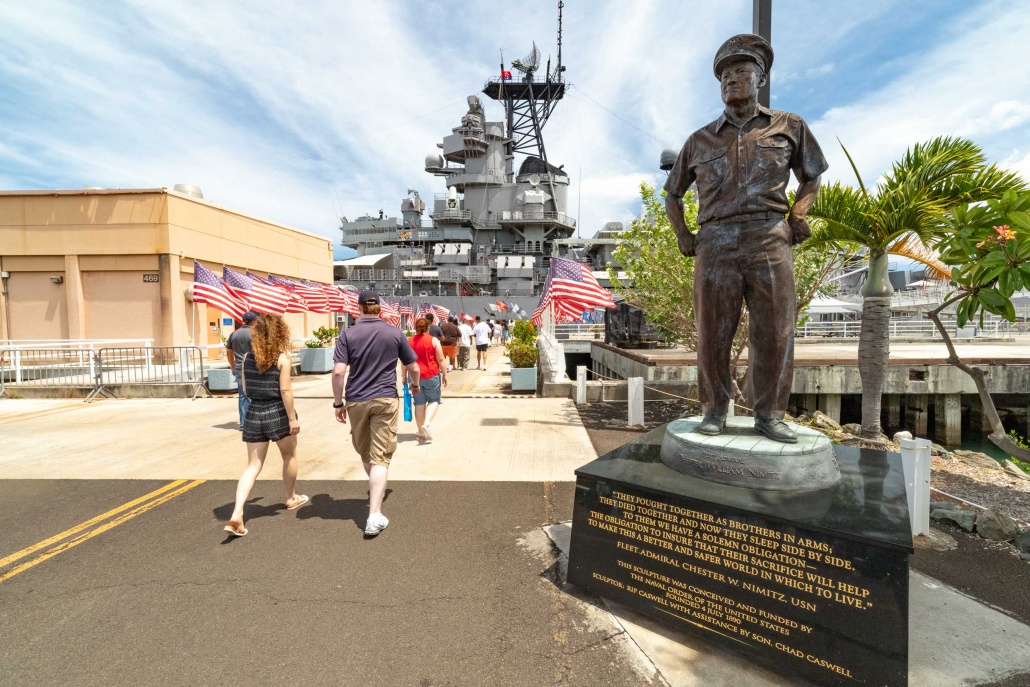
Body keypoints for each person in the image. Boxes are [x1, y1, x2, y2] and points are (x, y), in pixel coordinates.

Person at [664, 34, 826, 444]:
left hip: (768, 236)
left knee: (775, 332)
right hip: (715, 240)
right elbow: (672, 193)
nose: (730, 79)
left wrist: (797, 216)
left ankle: (770, 416)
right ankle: (714, 410)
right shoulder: (700, 140)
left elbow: (812, 175)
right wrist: (683, 233)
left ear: (761, 78)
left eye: (740, 71)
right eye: (724, 74)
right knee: (712, 332)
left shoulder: (789, 126)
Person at [332, 291, 421, 537]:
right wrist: (415, 385)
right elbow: (413, 366)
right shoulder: (394, 333)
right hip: (385, 398)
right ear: (380, 309)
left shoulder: (347, 334)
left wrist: (337, 403)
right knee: (380, 457)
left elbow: (339, 372)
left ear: (359, 308)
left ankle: (375, 501)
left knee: (366, 453)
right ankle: (374, 515)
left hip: (356, 400)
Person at [224, 314, 307, 537]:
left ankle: (237, 512)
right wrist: (292, 418)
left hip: (254, 412)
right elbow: (285, 390)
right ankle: (291, 497)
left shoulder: (248, 358)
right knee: (289, 456)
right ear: (279, 333)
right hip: (277, 411)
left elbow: (245, 387)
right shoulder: (282, 358)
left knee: (253, 465)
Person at [408, 317, 448, 441]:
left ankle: (420, 432)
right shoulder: (434, 341)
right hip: (431, 374)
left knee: (419, 404)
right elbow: (441, 359)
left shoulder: (409, 341)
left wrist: (404, 376)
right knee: (434, 400)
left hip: (415, 377)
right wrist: (445, 374)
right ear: (428, 328)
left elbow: (405, 362)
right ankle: (427, 423)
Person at [225, 310, 258, 429]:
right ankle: (255, 421)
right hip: (253, 366)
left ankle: (244, 423)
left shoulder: (234, 334)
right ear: (254, 321)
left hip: (239, 367)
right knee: (255, 394)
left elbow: (229, 352)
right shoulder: (254, 333)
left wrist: (233, 366)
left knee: (242, 395)